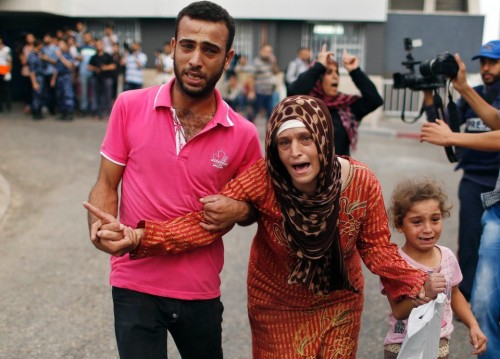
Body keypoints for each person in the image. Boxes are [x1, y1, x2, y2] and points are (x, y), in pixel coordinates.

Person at [86, 95, 447, 358]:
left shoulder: (361, 182)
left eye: (305, 139)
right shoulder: (264, 178)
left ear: (322, 139)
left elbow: (376, 248)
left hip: (339, 304)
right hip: (276, 306)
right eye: (284, 142)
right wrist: (138, 236)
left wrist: (417, 279)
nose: (295, 151)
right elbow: (204, 223)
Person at [85, 2, 262, 358]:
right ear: (173, 47)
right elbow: (107, 184)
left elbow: (256, 208)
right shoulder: (129, 105)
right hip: (133, 280)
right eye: (187, 46)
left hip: (199, 288)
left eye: (209, 50)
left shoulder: (243, 134)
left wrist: (240, 209)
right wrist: (101, 228)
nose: (196, 59)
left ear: (227, 60)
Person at [420, 53, 500, 359]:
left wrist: (452, 136)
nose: (487, 68)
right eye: (485, 62)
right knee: (481, 300)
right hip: (494, 201)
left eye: (494, 62)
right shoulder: (478, 94)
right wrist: (462, 88)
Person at [382, 177, 487, 358]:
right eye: (417, 222)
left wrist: (473, 325)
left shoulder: (446, 256)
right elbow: (399, 312)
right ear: (400, 225)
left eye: (435, 219)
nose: (428, 229)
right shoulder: (395, 263)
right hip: (402, 345)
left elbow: (454, 294)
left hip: (439, 344)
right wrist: (424, 292)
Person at [288, 45, 383, 156]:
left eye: (336, 72)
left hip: (340, 171)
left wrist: (355, 71)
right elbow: (293, 92)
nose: (335, 77)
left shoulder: (346, 106)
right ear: (318, 79)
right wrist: (319, 66)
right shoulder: (306, 106)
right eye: (329, 72)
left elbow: (374, 100)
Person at [250, 44, 280, 122]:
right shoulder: (256, 62)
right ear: (261, 51)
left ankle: (269, 132)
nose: (268, 53)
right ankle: (249, 130)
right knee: (254, 112)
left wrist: (273, 63)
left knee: (270, 113)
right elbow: (251, 78)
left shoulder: (270, 61)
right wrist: (252, 91)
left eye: (269, 51)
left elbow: (276, 72)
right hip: (259, 91)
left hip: (269, 92)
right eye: (266, 51)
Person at [88, 39, 116, 119]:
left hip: (107, 79)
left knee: (108, 96)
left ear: (102, 45)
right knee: (97, 96)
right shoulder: (94, 57)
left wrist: (105, 68)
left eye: (99, 44)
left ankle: (108, 113)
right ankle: (98, 113)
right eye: (96, 45)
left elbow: (113, 66)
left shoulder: (108, 56)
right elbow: (89, 66)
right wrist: (95, 68)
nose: (98, 46)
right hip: (96, 79)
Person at [53, 39, 76, 121]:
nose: (60, 46)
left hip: (66, 77)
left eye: (62, 44)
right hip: (59, 77)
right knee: (60, 95)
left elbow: (69, 65)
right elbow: (56, 68)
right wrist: (53, 79)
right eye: (59, 45)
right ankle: (63, 112)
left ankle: (69, 112)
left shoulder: (68, 55)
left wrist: (60, 56)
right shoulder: (58, 55)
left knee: (68, 95)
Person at [0, 35, 12, 112]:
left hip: (4, 71)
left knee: (6, 89)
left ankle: (8, 106)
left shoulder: (7, 49)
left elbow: (9, 61)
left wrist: (8, 72)